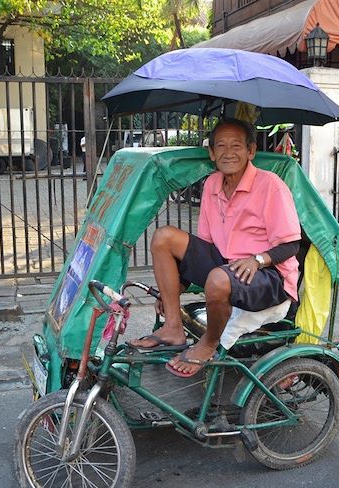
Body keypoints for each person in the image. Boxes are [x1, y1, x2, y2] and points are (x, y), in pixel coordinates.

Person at [128, 118, 301, 378]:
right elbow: (204, 250)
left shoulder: (270, 185)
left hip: (269, 276)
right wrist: (173, 290)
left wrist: (257, 259)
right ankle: (173, 327)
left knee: (219, 279)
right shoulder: (211, 185)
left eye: (236, 145)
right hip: (225, 264)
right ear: (211, 152)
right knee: (163, 236)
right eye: (220, 145)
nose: (228, 152)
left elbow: (291, 244)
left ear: (251, 151)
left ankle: (209, 343)